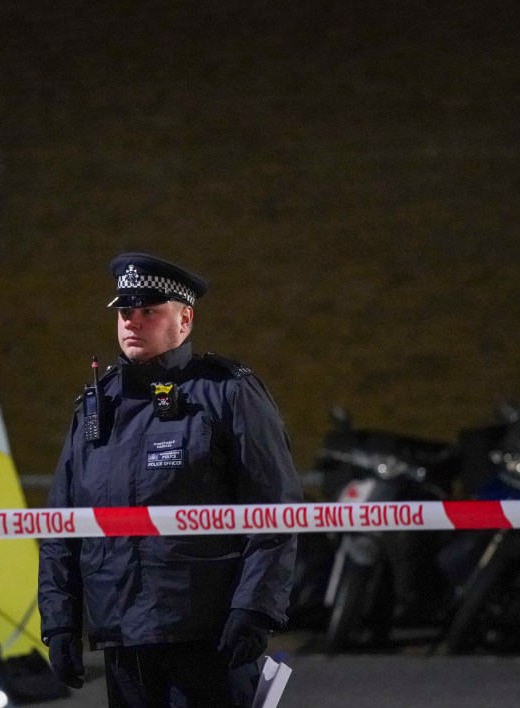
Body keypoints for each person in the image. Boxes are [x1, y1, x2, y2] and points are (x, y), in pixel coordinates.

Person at [38, 252, 303, 707]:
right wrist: (60, 622)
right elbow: (63, 525)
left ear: (185, 319)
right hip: (124, 643)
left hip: (209, 638)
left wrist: (255, 608)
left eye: (148, 311)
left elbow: (275, 508)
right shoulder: (95, 409)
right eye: (125, 311)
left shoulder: (226, 393)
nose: (132, 322)